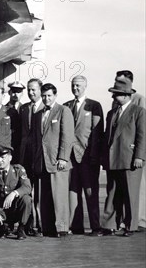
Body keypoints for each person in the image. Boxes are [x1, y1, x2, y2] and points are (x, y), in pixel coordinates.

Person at [101, 77, 145, 236]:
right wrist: (104, 158)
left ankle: (130, 226)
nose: (113, 97)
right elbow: (107, 136)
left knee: (130, 194)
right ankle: (109, 225)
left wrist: (139, 156)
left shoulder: (139, 112)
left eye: (116, 94)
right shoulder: (111, 113)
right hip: (113, 160)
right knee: (112, 193)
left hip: (130, 160)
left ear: (126, 95)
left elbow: (142, 136)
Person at [29, 83, 73, 237]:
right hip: (42, 162)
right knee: (44, 197)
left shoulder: (63, 111)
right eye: (44, 96)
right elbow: (36, 139)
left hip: (57, 162)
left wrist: (63, 158)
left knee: (59, 197)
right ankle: (47, 227)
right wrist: (35, 160)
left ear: (55, 95)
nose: (46, 99)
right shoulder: (38, 114)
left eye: (49, 95)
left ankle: (62, 228)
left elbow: (67, 137)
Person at [63, 75, 104, 235]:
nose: (75, 88)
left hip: (87, 157)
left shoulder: (94, 106)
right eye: (73, 85)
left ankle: (96, 226)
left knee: (90, 192)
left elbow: (97, 133)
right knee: (72, 193)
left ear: (85, 86)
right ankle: (76, 226)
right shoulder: (66, 106)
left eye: (78, 86)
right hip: (71, 158)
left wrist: (95, 157)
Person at [0, 145, 32, 240]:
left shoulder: (18, 170)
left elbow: (27, 187)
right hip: (0, 211)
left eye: (3, 157)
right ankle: (1, 228)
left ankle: (21, 228)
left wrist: (14, 193)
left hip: (15, 209)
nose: (0, 161)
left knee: (26, 199)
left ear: (10, 158)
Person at [18, 78, 44, 234]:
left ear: (40, 90)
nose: (31, 92)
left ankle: (41, 225)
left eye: (34, 89)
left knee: (40, 194)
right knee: (27, 191)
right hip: (25, 157)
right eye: (29, 89)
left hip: (40, 157)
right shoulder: (24, 109)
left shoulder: (45, 107)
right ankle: (28, 224)